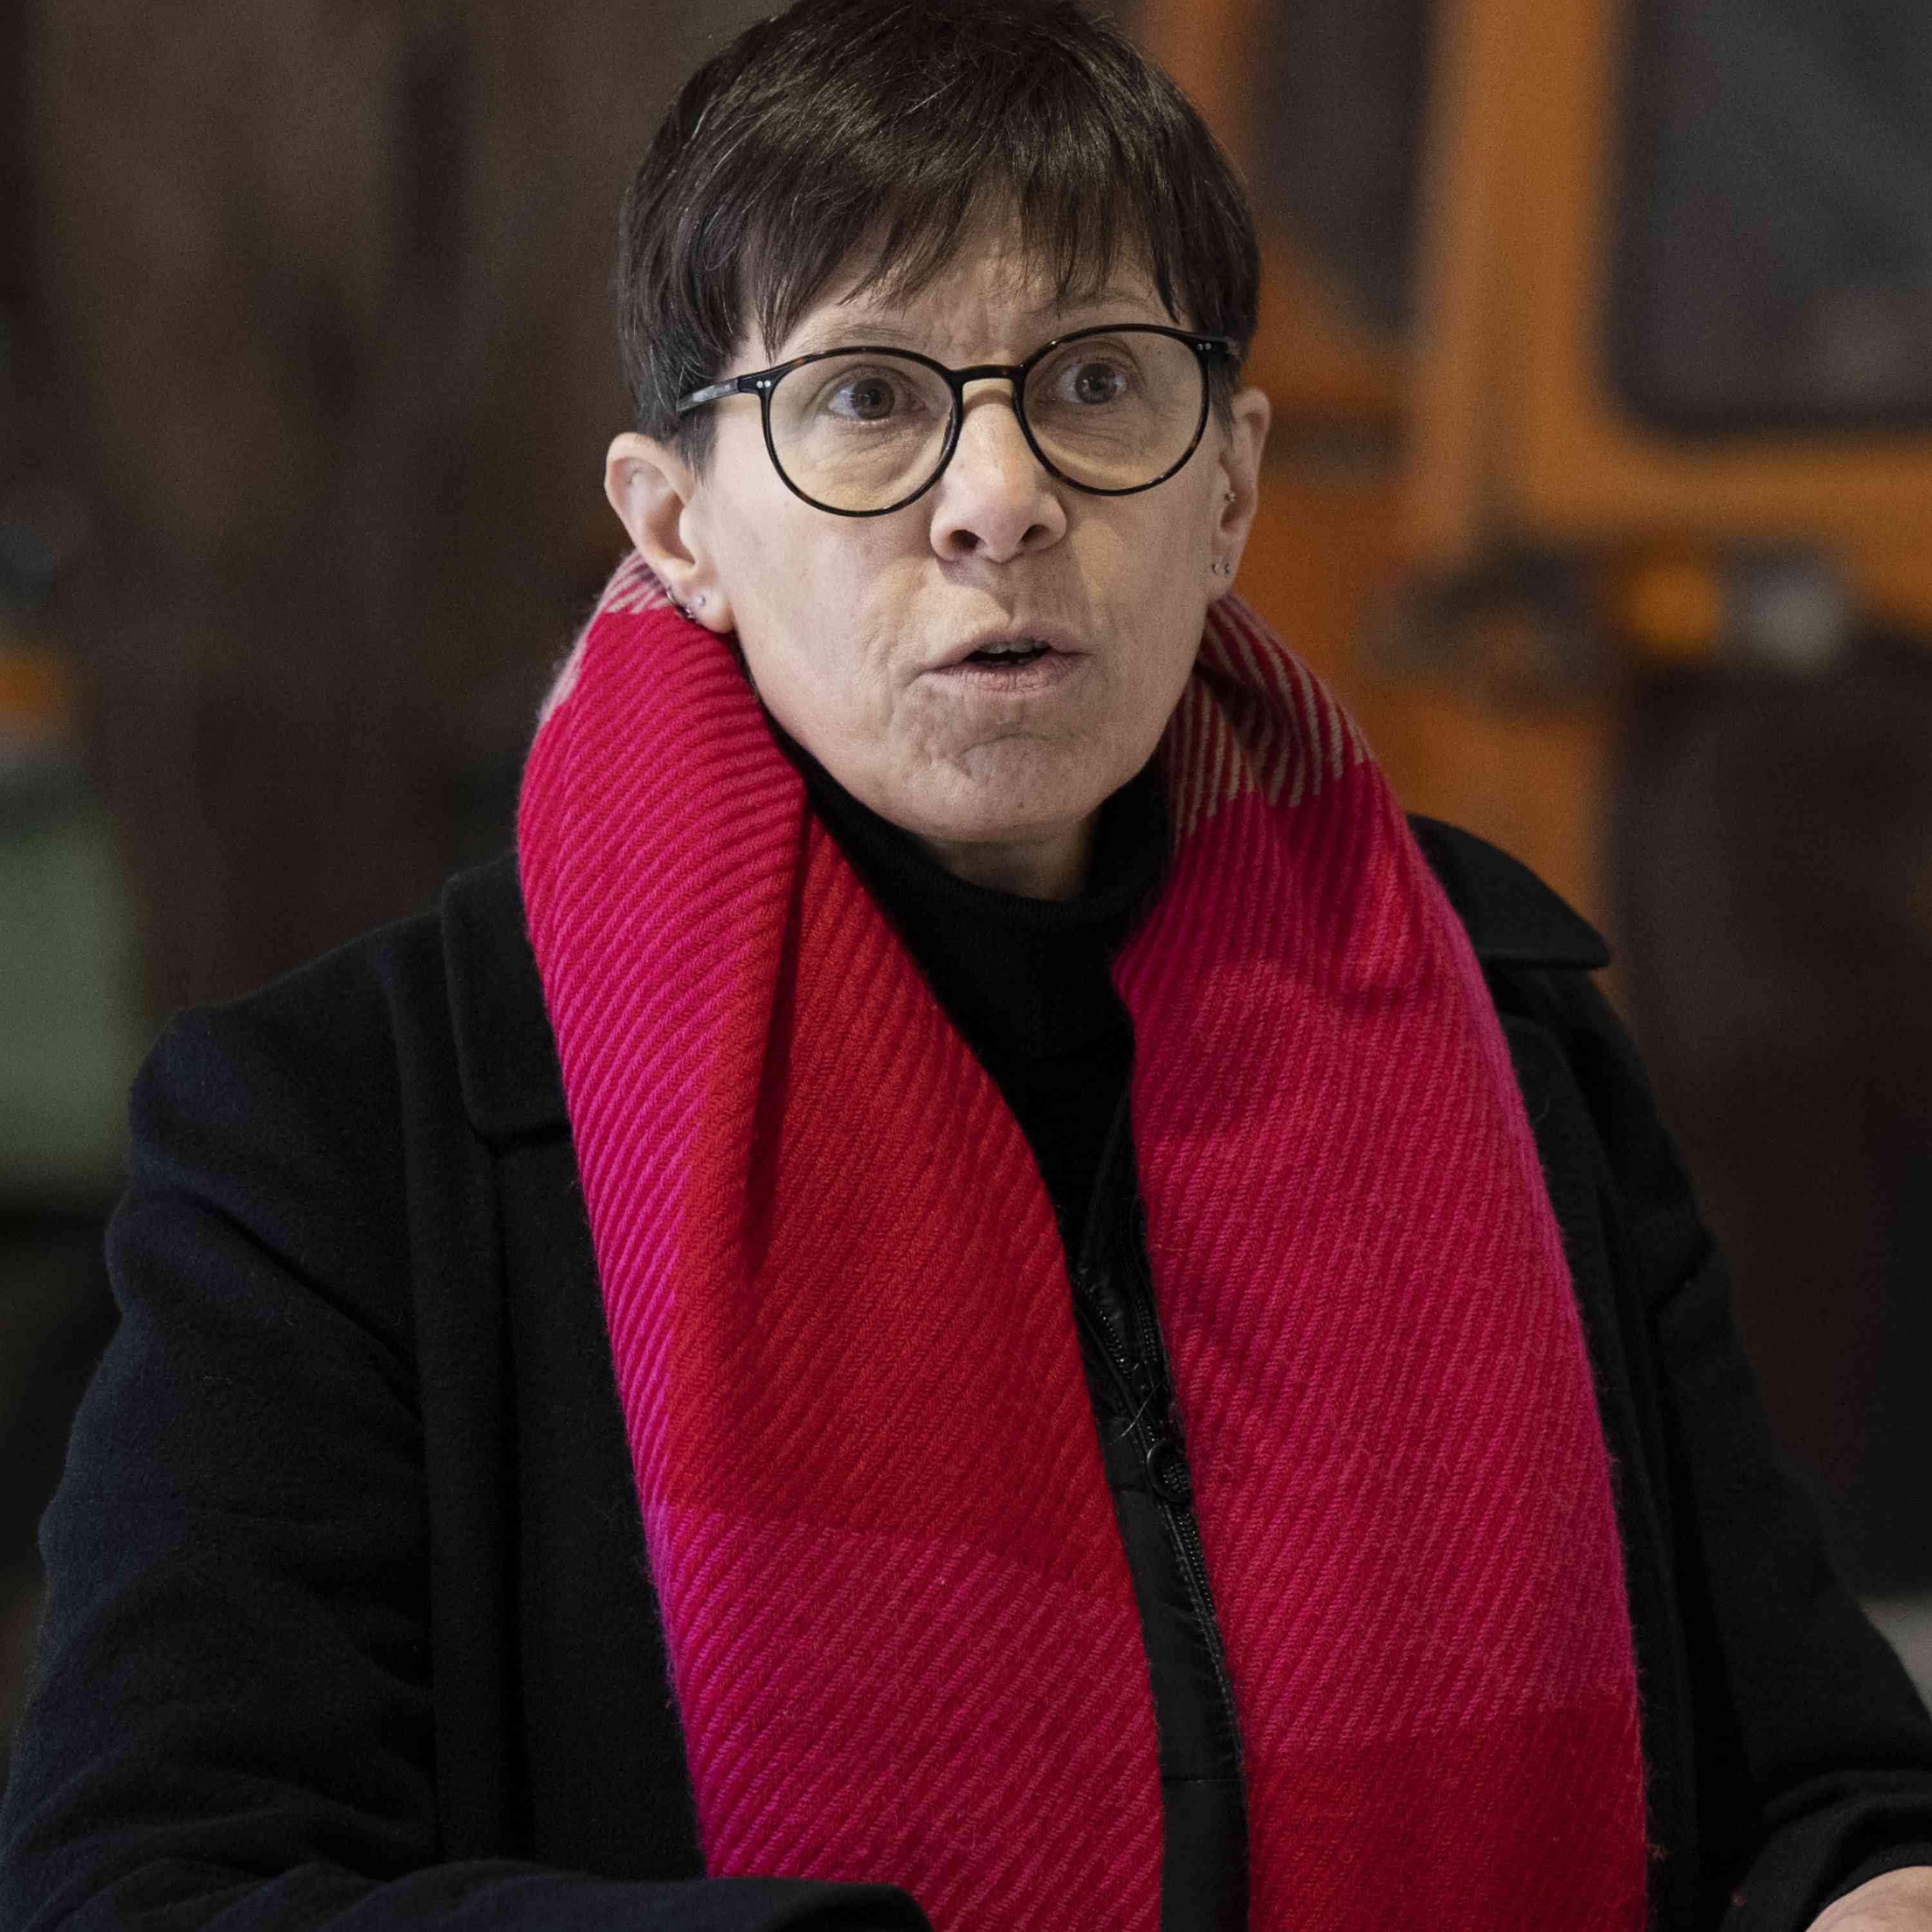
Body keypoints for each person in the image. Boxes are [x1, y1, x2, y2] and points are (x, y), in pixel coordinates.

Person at [4, 1, 1932, 1927]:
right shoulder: (343, 1141)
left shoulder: (1502, 1033)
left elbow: (1826, 1790)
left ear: (1231, 489)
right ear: (677, 525)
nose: (1001, 495)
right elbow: (154, 1892)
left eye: (1095, 382)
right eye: (867, 398)